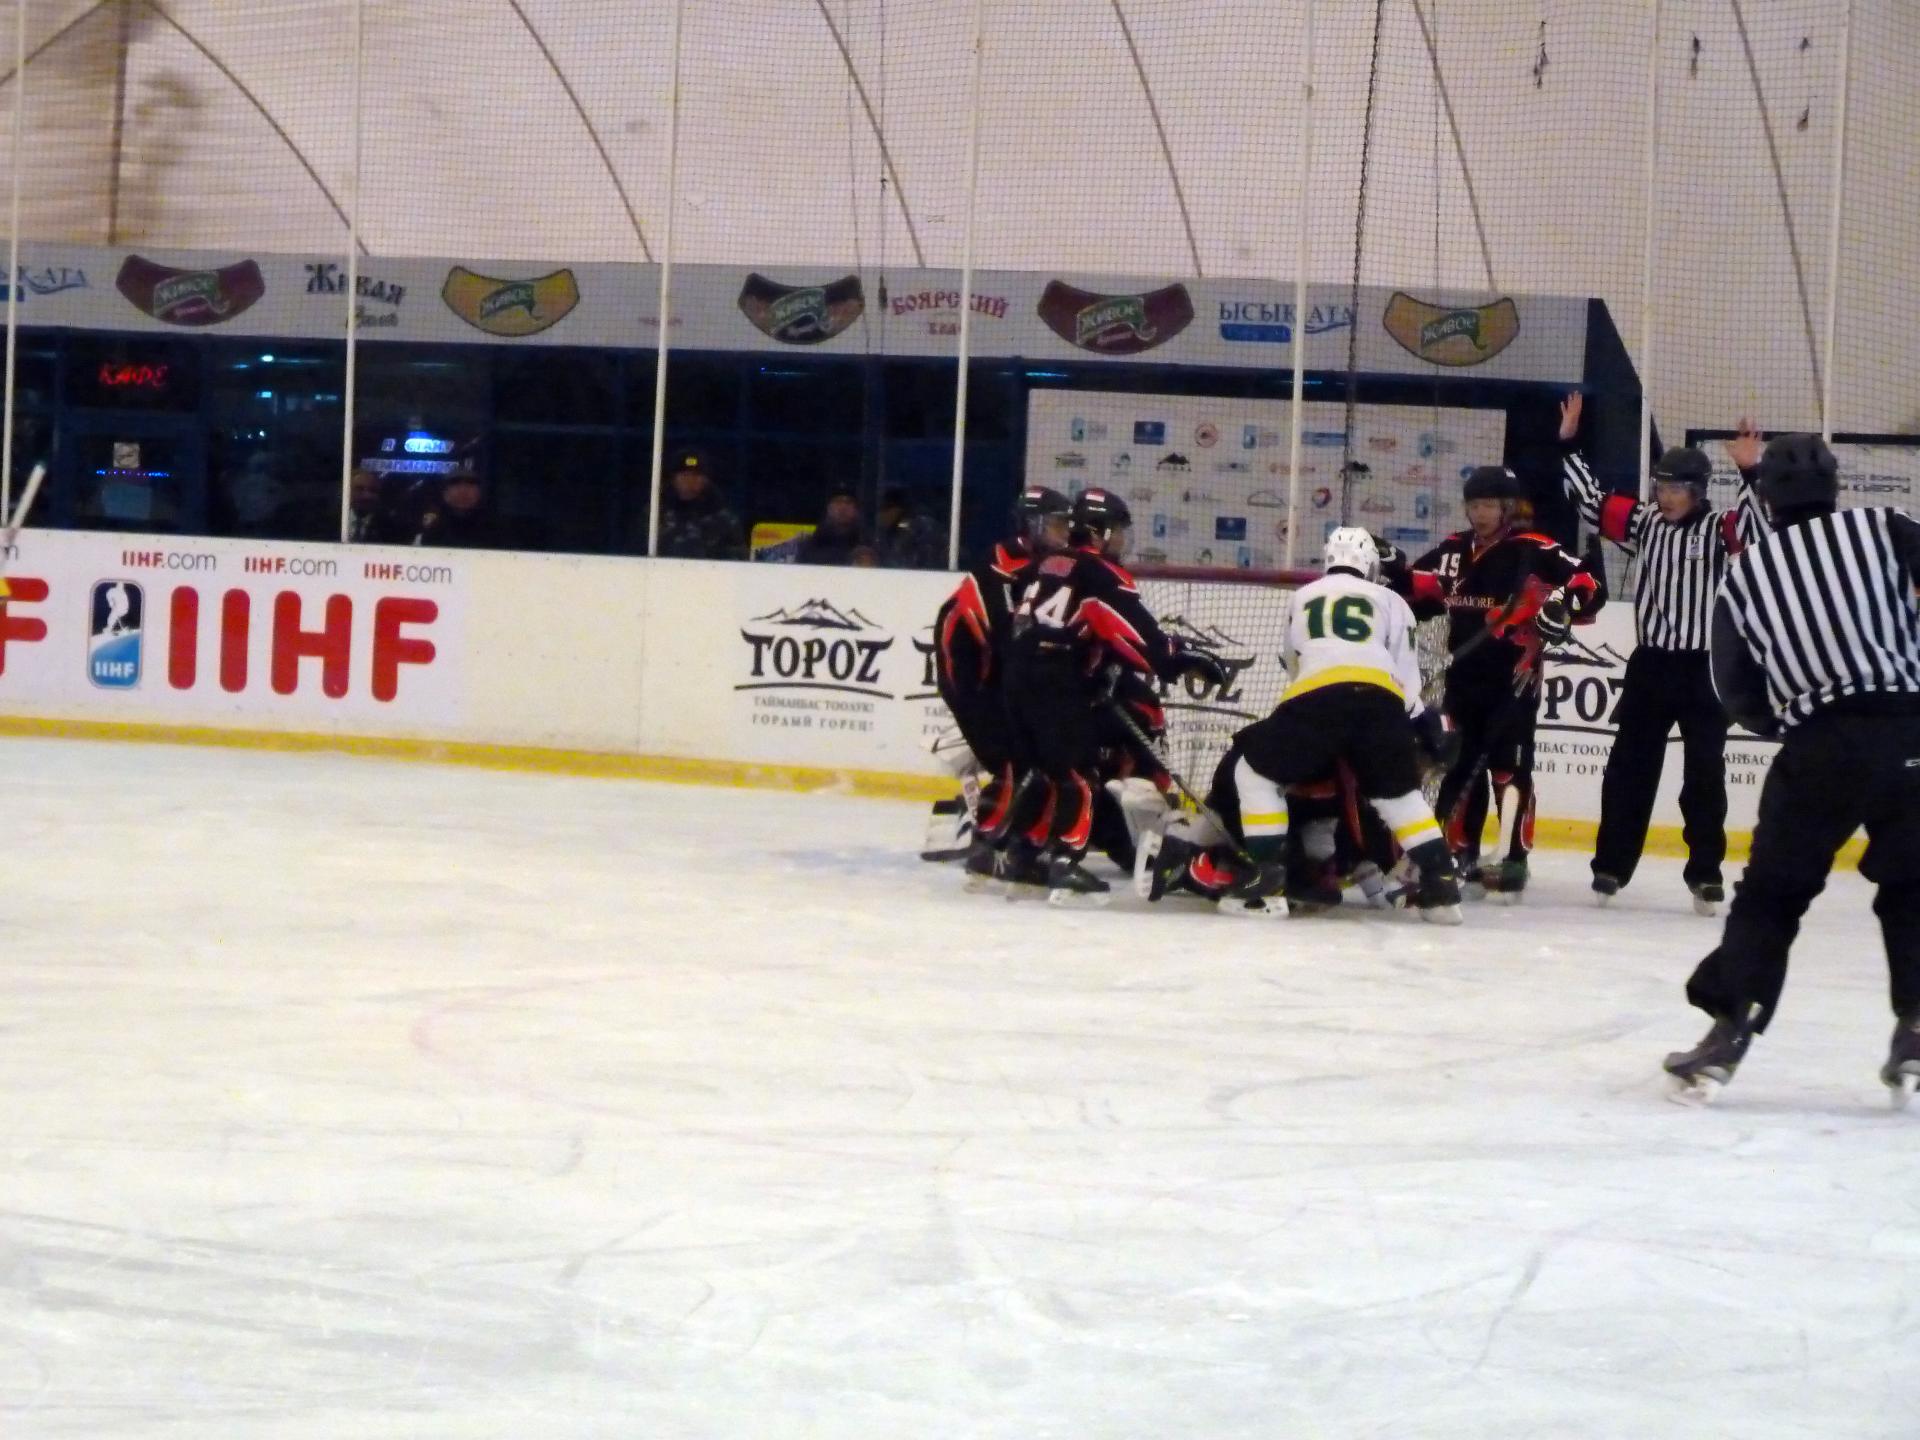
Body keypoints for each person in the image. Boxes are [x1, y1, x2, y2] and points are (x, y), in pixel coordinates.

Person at [1664, 434, 1920, 1103]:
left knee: (1771, 897)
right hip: (1910, 729)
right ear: (1834, 488)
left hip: (1820, 744)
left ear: (1769, 499)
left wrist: (1795, 726)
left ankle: (1730, 1031)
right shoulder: (1885, 526)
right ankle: (1918, 1028)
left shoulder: (1745, 575)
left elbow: (1735, 687)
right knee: (1915, 885)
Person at [1136, 528, 1463, 922]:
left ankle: (1268, 876)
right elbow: (1406, 679)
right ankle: (1443, 885)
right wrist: (1411, 723)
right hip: (1382, 703)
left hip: (1318, 699)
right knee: (1399, 797)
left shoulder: (1303, 596)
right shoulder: (1391, 599)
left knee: (1252, 772)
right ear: (1370, 565)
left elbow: (1295, 665)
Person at [1561, 395, 1767, 913]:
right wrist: (1569, 444)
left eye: (1676, 489)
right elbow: (1591, 502)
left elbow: (1760, 529)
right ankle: (1611, 865)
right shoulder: (1644, 522)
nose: (1666, 496)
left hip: (1703, 669)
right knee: (1628, 768)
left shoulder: (1720, 528)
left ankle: (1706, 872)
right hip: (1651, 665)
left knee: (1705, 775)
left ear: (1699, 492)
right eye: (1661, 486)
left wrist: (1751, 472)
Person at [994, 486, 1227, 905]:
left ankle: (1024, 854)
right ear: (1098, 532)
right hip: (1054, 679)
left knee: (1043, 772)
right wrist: (1179, 659)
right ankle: (1065, 860)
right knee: (1078, 772)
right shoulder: (1101, 572)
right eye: (1117, 531)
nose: (1122, 540)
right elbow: (1133, 632)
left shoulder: (1046, 564)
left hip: (1015, 677)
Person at [1391, 464, 1601, 900]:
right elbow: (1418, 589)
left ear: (1507, 507)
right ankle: (1458, 849)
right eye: (1474, 505)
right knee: (1457, 763)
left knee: (1510, 767)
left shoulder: (1534, 548)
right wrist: (1390, 566)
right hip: (1462, 678)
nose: (1480, 513)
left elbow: (1588, 584)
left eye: (1488, 505)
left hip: (1514, 679)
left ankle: (1514, 857)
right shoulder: (1454, 549)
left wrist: (1562, 605)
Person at [927, 485, 1072, 867]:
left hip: (990, 669)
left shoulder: (1044, 564)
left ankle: (1000, 830)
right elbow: (1003, 635)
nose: (1064, 533)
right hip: (968, 674)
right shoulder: (1002, 563)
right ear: (1033, 524)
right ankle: (987, 840)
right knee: (1011, 757)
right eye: (1056, 524)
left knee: (1022, 754)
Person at [656, 448, 746, 560]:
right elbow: (640, 551)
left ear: (706, 480)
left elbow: (738, 559)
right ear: (673, 479)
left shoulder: (725, 520)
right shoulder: (655, 515)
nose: (690, 481)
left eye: (696, 475)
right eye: (684, 475)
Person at [414, 469, 508, 548]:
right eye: (456, 485)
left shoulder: (494, 525)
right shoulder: (430, 524)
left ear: (479, 493)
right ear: (445, 493)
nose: (463, 490)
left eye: (470, 485)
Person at [873, 486, 944, 570]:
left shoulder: (921, 528)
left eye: (884, 510)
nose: (880, 516)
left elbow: (926, 562)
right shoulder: (887, 533)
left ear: (896, 510)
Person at [798, 486, 865, 566]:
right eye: (838, 502)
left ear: (856, 510)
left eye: (848, 502)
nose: (843, 507)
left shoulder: (865, 545)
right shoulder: (812, 544)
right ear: (829, 509)